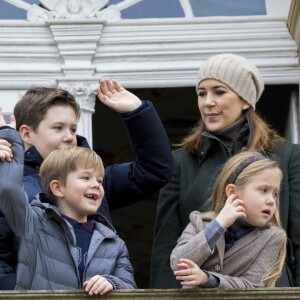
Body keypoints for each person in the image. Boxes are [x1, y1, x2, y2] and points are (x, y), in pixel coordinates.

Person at [0, 78, 173, 289]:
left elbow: (155, 170)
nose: (69, 137)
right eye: (58, 128)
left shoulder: (95, 185)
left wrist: (137, 112)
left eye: (73, 129)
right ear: (26, 134)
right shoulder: (9, 185)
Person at [151, 53, 300, 288]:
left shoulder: (288, 156)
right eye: (202, 93)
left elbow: (297, 237)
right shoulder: (180, 162)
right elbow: (165, 245)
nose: (207, 101)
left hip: (273, 291)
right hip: (200, 293)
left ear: (245, 100)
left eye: (219, 92)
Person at [0, 128, 136, 293]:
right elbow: (9, 190)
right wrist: (8, 138)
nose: (96, 185)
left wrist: (112, 283)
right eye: (85, 178)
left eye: (99, 181)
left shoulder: (114, 242)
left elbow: (130, 287)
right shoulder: (33, 222)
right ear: (58, 188)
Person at [170, 151, 286, 288]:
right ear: (232, 192)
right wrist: (218, 225)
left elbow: (253, 286)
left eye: (275, 194)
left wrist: (208, 279)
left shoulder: (272, 237)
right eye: (263, 190)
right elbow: (178, 264)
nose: (271, 201)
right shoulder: (199, 221)